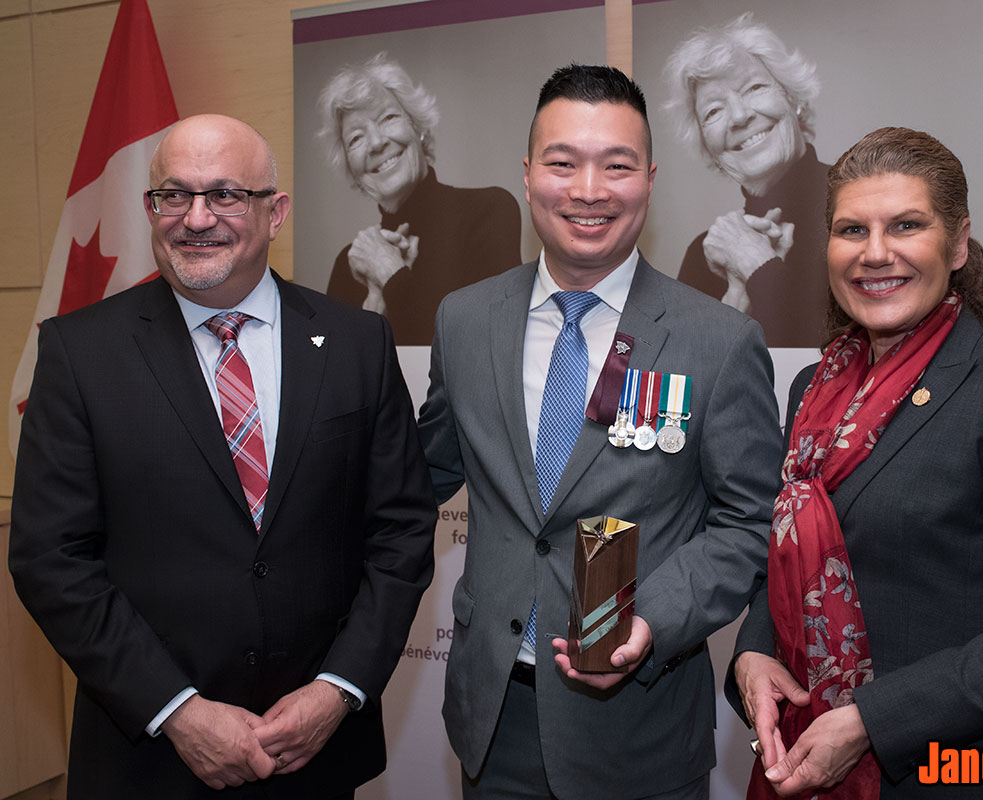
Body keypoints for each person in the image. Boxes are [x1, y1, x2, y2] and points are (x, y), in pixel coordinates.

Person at [8, 114, 438, 799]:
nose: (195, 218)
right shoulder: (80, 355)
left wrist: (337, 689)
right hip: (147, 761)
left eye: (225, 195)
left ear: (276, 213)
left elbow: (402, 532)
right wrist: (177, 711)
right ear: (150, 208)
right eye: (173, 195)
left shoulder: (358, 343)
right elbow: (50, 558)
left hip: (317, 758)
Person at [418, 65, 782, 799]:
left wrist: (652, 618)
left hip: (638, 726)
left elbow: (748, 523)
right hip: (493, 720)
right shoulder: (464, 320)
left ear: (648, 179)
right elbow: (414, 476)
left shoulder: (719, 341)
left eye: (616, 166)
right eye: (563, 163)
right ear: (527, 176)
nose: (588, 190)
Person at [728, 128, 983, 798]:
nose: (874, 253)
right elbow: (797, 558)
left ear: (959, 243)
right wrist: (753, 653)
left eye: (905, 225)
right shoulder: (813, 389)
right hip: (805, 763)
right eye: (852, 230)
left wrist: (871, 722)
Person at [318, 53, 522, 345]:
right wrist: (374, 303)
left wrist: (391, 276)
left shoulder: (488, 212)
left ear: (419, 130)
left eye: (387, 118)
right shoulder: (352, 263)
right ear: (351, 168)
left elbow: (486, 346)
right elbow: (337, 377)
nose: (376, 143)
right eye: (356, 138)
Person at [664, 13, 830, 347]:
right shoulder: (706, 255)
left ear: (793, 101)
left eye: (753, 88)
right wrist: (737, 296)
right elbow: (690, 385)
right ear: (708, 147)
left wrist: (757, 267)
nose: (740, 117)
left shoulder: (862, 212)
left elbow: (859, 358)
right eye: (713, 111)